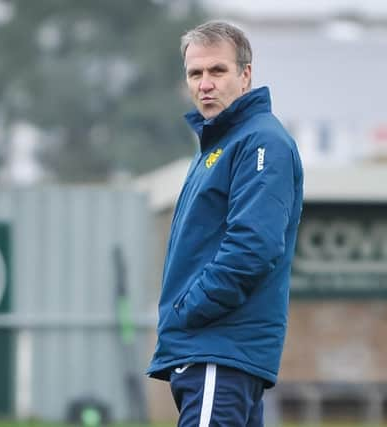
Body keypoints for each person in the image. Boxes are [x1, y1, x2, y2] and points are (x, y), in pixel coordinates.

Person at [147, 20, 304, 427]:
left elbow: (253, 248)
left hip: (218, 349)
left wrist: (189, 309)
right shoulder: (219, 144)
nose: (205, 84)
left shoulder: (260, 142)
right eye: (195, 74)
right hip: (212, 351)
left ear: (245, 75)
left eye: (217, 71)